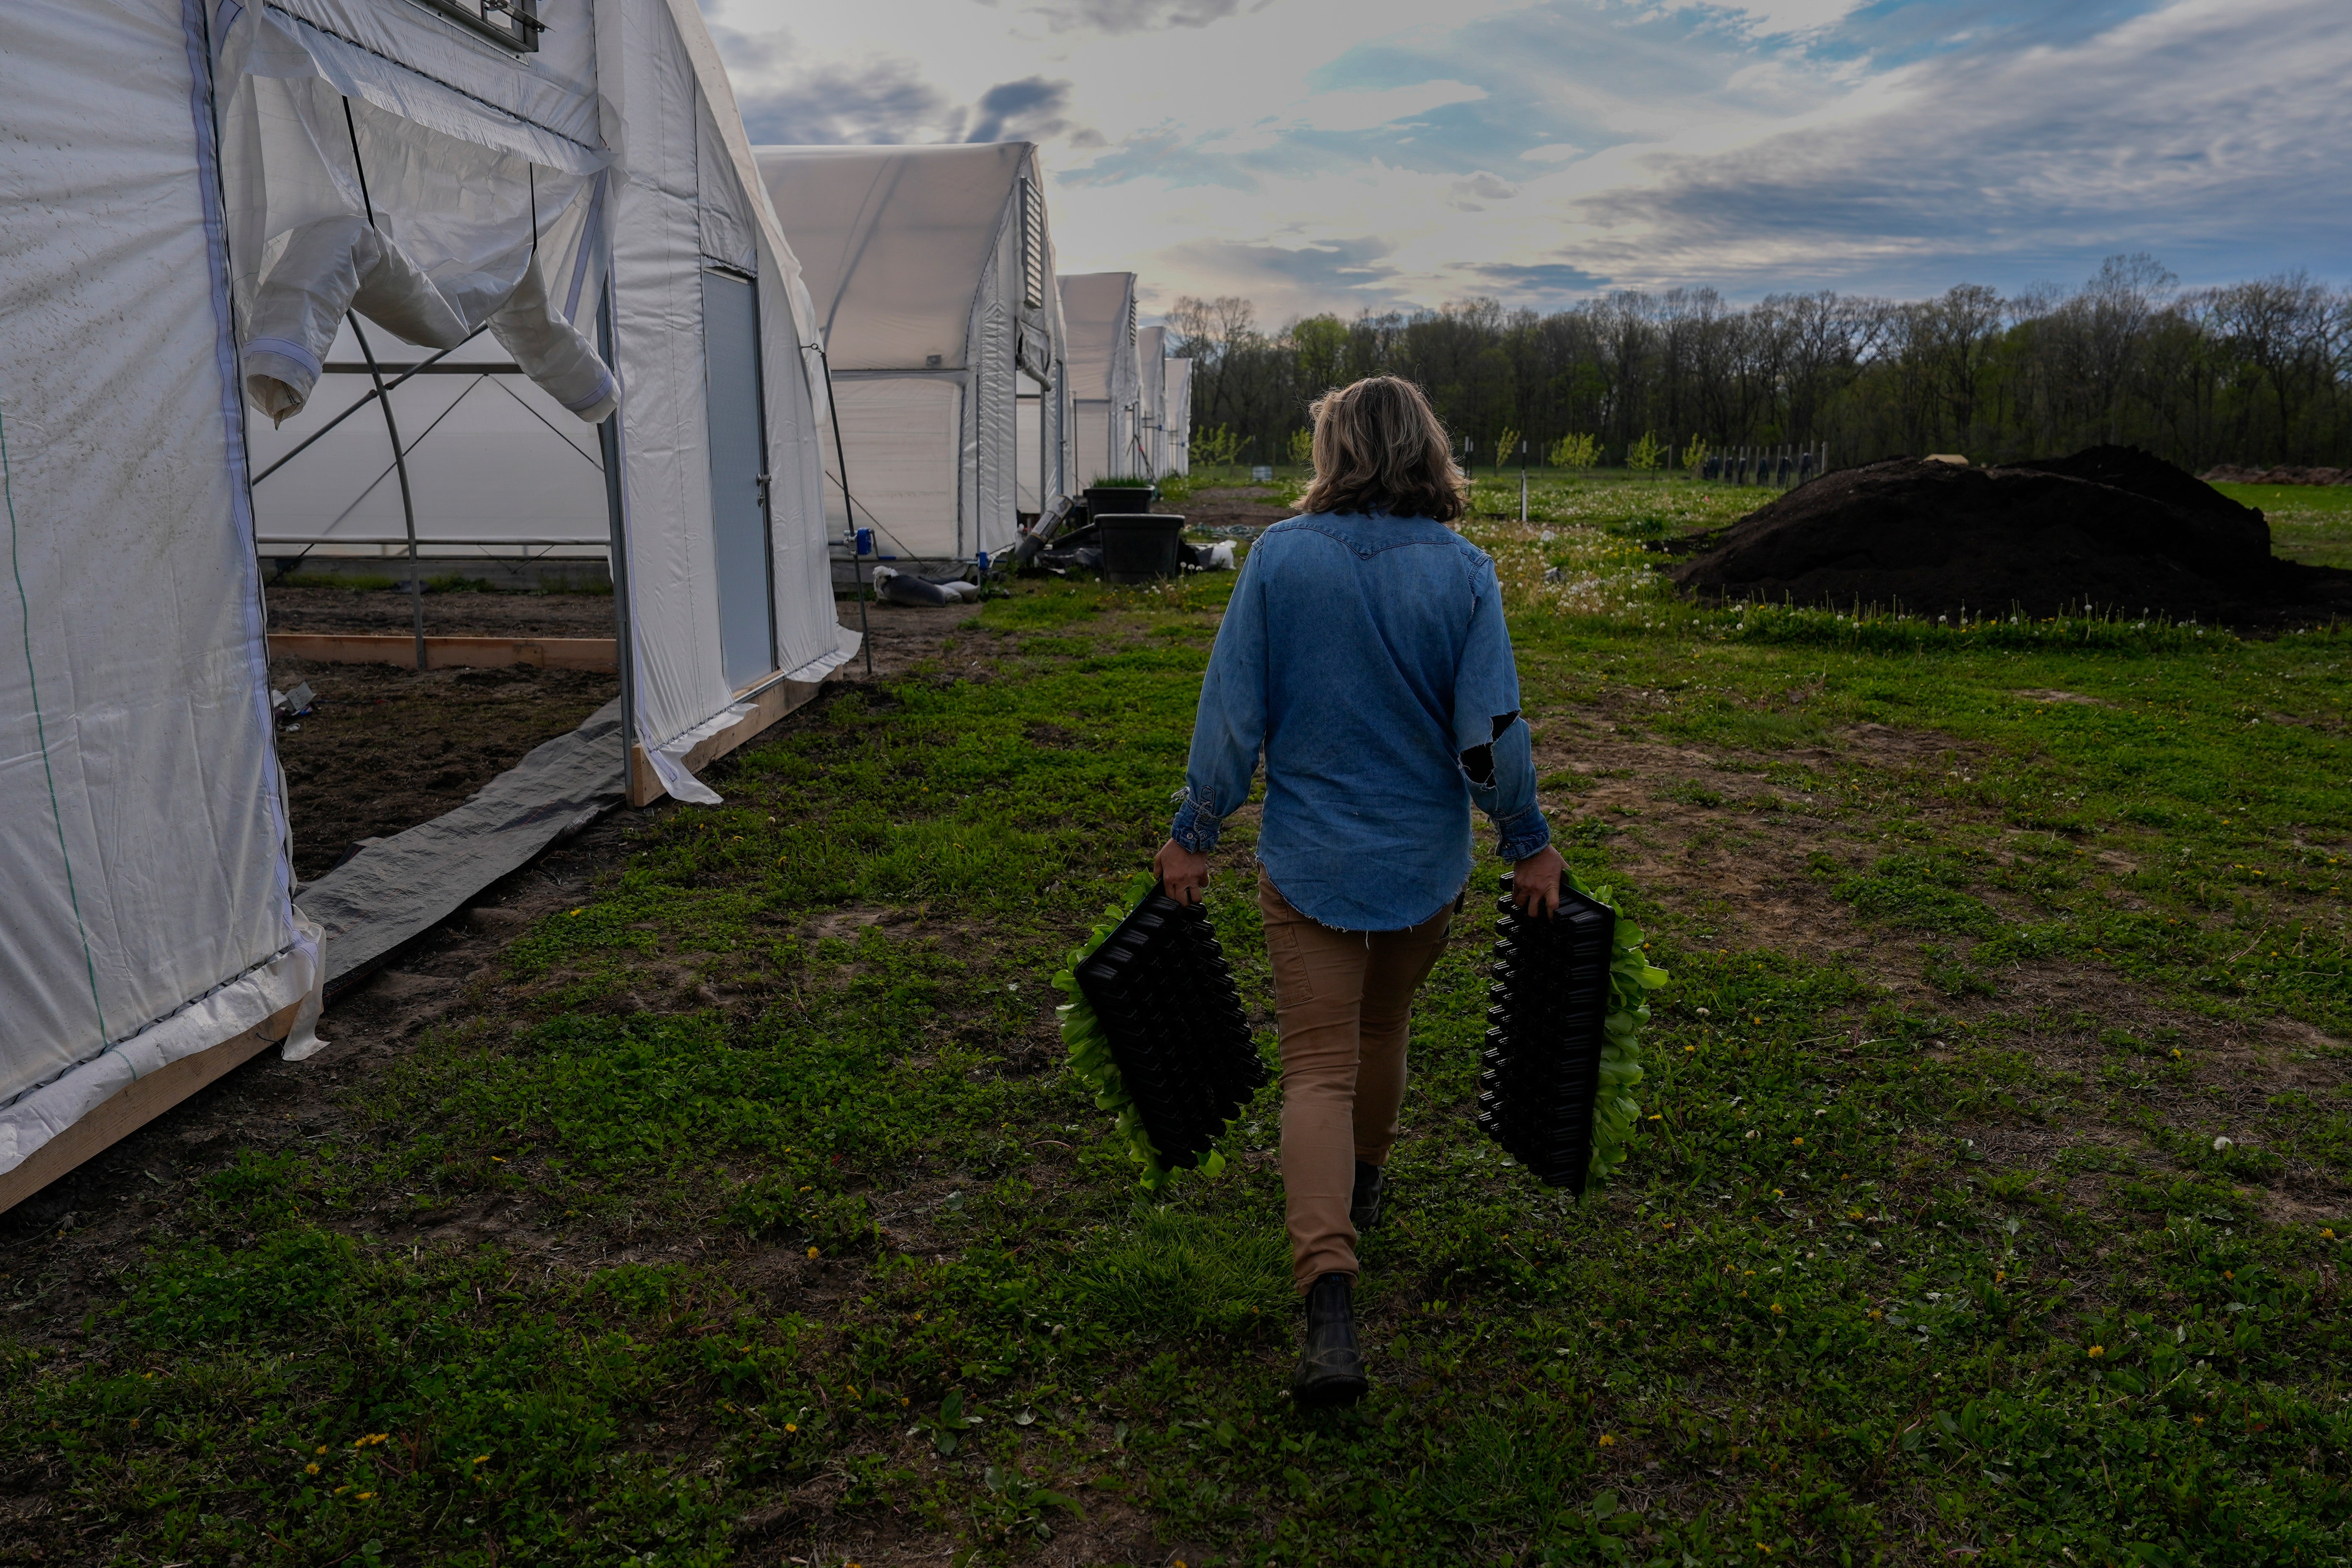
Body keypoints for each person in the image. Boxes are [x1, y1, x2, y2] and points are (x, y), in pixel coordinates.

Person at [1153, 377, 1564, 1409]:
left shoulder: (1280, 560)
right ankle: (1364, 1184)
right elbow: (1491, 734)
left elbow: (1232, 712)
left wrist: (1194, 830)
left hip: (1310, 867)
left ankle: (1329, 1300)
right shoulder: (1467, 572)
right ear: (1427, 449)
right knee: (1383, 1034)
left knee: (1318, 1070)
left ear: (1335, 449)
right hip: (1424, 868)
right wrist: (1529, 842)